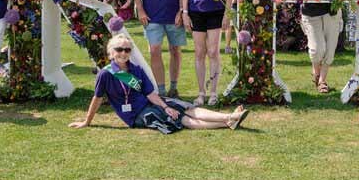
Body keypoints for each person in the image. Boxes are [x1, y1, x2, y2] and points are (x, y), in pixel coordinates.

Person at [69, 34, 249, 132]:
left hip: (150, 102)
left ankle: (228, 118)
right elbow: (97, 99)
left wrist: (165, 106)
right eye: (119, 49)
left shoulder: (136, 69)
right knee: (182, 119)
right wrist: (87, 121)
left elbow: (150, 94)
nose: (123, 53)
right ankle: (229, 120)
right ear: (111, 52)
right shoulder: (106, 74)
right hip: (136, 115)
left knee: (184, 107)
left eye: (127, 50)